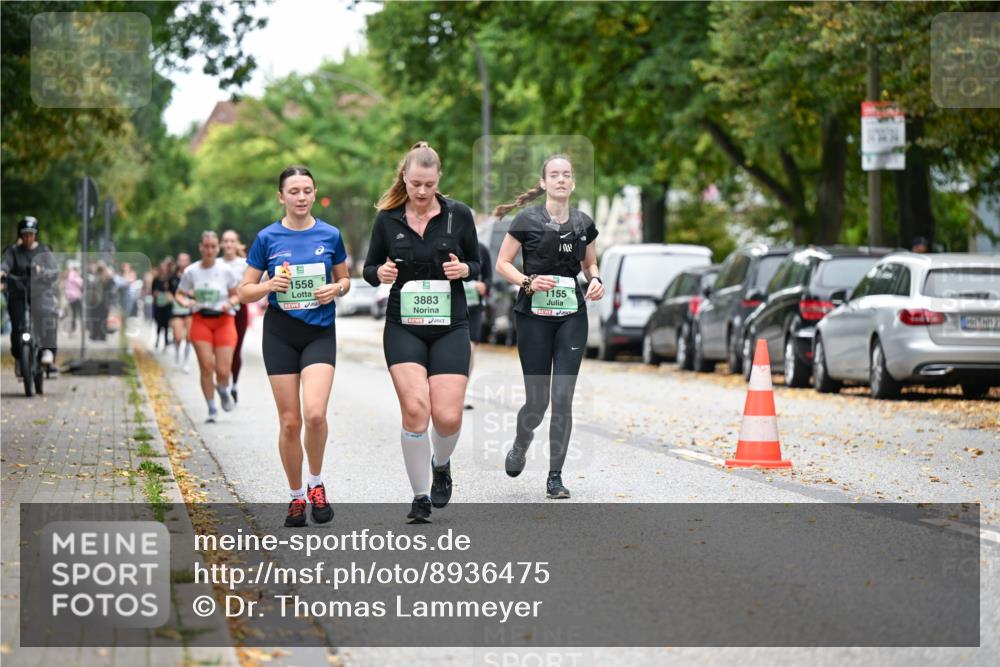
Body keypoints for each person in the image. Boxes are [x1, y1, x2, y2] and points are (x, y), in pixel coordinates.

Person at [363, 142, 480, 524]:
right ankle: (420, 496)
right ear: (404, 178)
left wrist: (465, 270)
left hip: (450, 325)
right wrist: (380, 273)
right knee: (416, 410)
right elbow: (369, 268)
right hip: (404, 326)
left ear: (438, 179)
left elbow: (477, 262)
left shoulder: (458, 215)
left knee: (447, 417)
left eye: (429, 184)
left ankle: (440, 464)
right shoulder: (387, 219)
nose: (422, 191)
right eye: (415, 183)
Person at [239, 166, 350, 528]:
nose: (301, 197)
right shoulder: (267, 238)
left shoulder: (330, 234)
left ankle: (316, 484)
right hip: (280, 334)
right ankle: (295, 497)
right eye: (293, 191)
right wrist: (268, 285)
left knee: (315, 414)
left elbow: (345, 279)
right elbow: (244, 291)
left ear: (314, 193)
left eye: (307, 190)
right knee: (290, 422)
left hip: (319, 331)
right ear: (281, 197)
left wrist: (336, 289)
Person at [493, 154, 604, 499]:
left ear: (573, 182)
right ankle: (521, 443)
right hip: (533, 317)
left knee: (563, 397)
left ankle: (555, 476)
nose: (560, 179)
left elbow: (590, 264)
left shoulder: (583, 223)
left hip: (572, 315)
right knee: (538, 402)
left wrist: (596, 280)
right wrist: (527, 281)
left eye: (566, 174)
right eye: (554, 175)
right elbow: (502, 263)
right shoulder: (527, 220)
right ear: (543, 183)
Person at [176, 232, 240, 423]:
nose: (210, 250)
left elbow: (237, 294)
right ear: (201, 247)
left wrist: (230, 302)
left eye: (213, 246)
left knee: (223, 370)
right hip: (200, 320)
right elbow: (179, 293)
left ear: (218, 248)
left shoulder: (226, 270)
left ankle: (222, 389)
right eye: (206, 246)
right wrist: (185, 302)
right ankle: (211, 408)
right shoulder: (191, 271)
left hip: (224, 321)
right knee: (206, 366)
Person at [0, 216, 60, 374]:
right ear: (20, 235)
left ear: (35, 235)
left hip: (39, 293)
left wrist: (43, 271)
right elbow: (5, 265)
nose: (28, 238)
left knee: (46, 316)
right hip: (18, 293)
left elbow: (54, 271)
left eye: (31, 234)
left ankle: (47, 351)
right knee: (17, 326)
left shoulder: (44, 251)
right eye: (25, 234)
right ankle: (20, 357)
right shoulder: (13, 251)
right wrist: (2, 273)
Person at [221, 230, 249, 403]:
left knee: (236, 348)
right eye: (225, 241)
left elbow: (252, 284)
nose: (229, 244)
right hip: (220, 311)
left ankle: (234, 385)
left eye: (232, 241)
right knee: (222, 350)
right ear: (221, 244)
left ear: (237, 244)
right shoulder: (216, 264)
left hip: (239, 310)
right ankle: (223, 381)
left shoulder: (245, 264)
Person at [464, 241, 492, 410]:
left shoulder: (482, 249)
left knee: (469, 350)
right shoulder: (448, 245)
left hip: (474, 308)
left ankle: (461, 393)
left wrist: (484, 286)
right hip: (450, 307)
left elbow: (488, 277)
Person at [170, 252, 193, 371]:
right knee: (178, 337)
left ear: (189, 262)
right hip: (177, 310)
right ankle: (177, 357)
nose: (183, 262)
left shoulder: (193, 275)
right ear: (178, 262)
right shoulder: (173, 277)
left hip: (189, 310)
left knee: (189, 337)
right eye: (181, 260)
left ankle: (186, 362)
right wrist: (171, 297)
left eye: (185, 260)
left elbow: (196, 292)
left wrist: (190, 295)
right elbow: (169, 291)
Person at [151, 258, 175, 352]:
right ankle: (157, 340)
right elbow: (152, 291)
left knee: (166, 324)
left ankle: (165, 341)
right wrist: (155, 294)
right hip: (158, 305)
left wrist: (169, 294)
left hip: (167, 305)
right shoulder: (156, 279)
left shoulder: (170, 279)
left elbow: (173, 292)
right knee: (159, 323)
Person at [63, 262, 83, 334]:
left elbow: (65, 287)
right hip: (76, 296)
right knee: (80, 312)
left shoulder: (66, 276)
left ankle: (73, 327)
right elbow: (80, 283)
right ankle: (80, 327)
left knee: (73, 313)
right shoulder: (74, 275)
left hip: (70, 297)